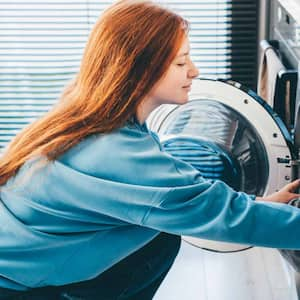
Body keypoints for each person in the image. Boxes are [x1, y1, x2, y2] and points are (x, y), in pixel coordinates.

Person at [0, 0, 300, 299]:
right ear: (140, 70)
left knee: (158, 236)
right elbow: (219, 213)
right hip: (15, 288)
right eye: (181, 63)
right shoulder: (116, 152)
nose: (194, 71)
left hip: (20, 263)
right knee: (160, 239)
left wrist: (260, 202)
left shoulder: (86, 118)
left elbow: (189, 197)